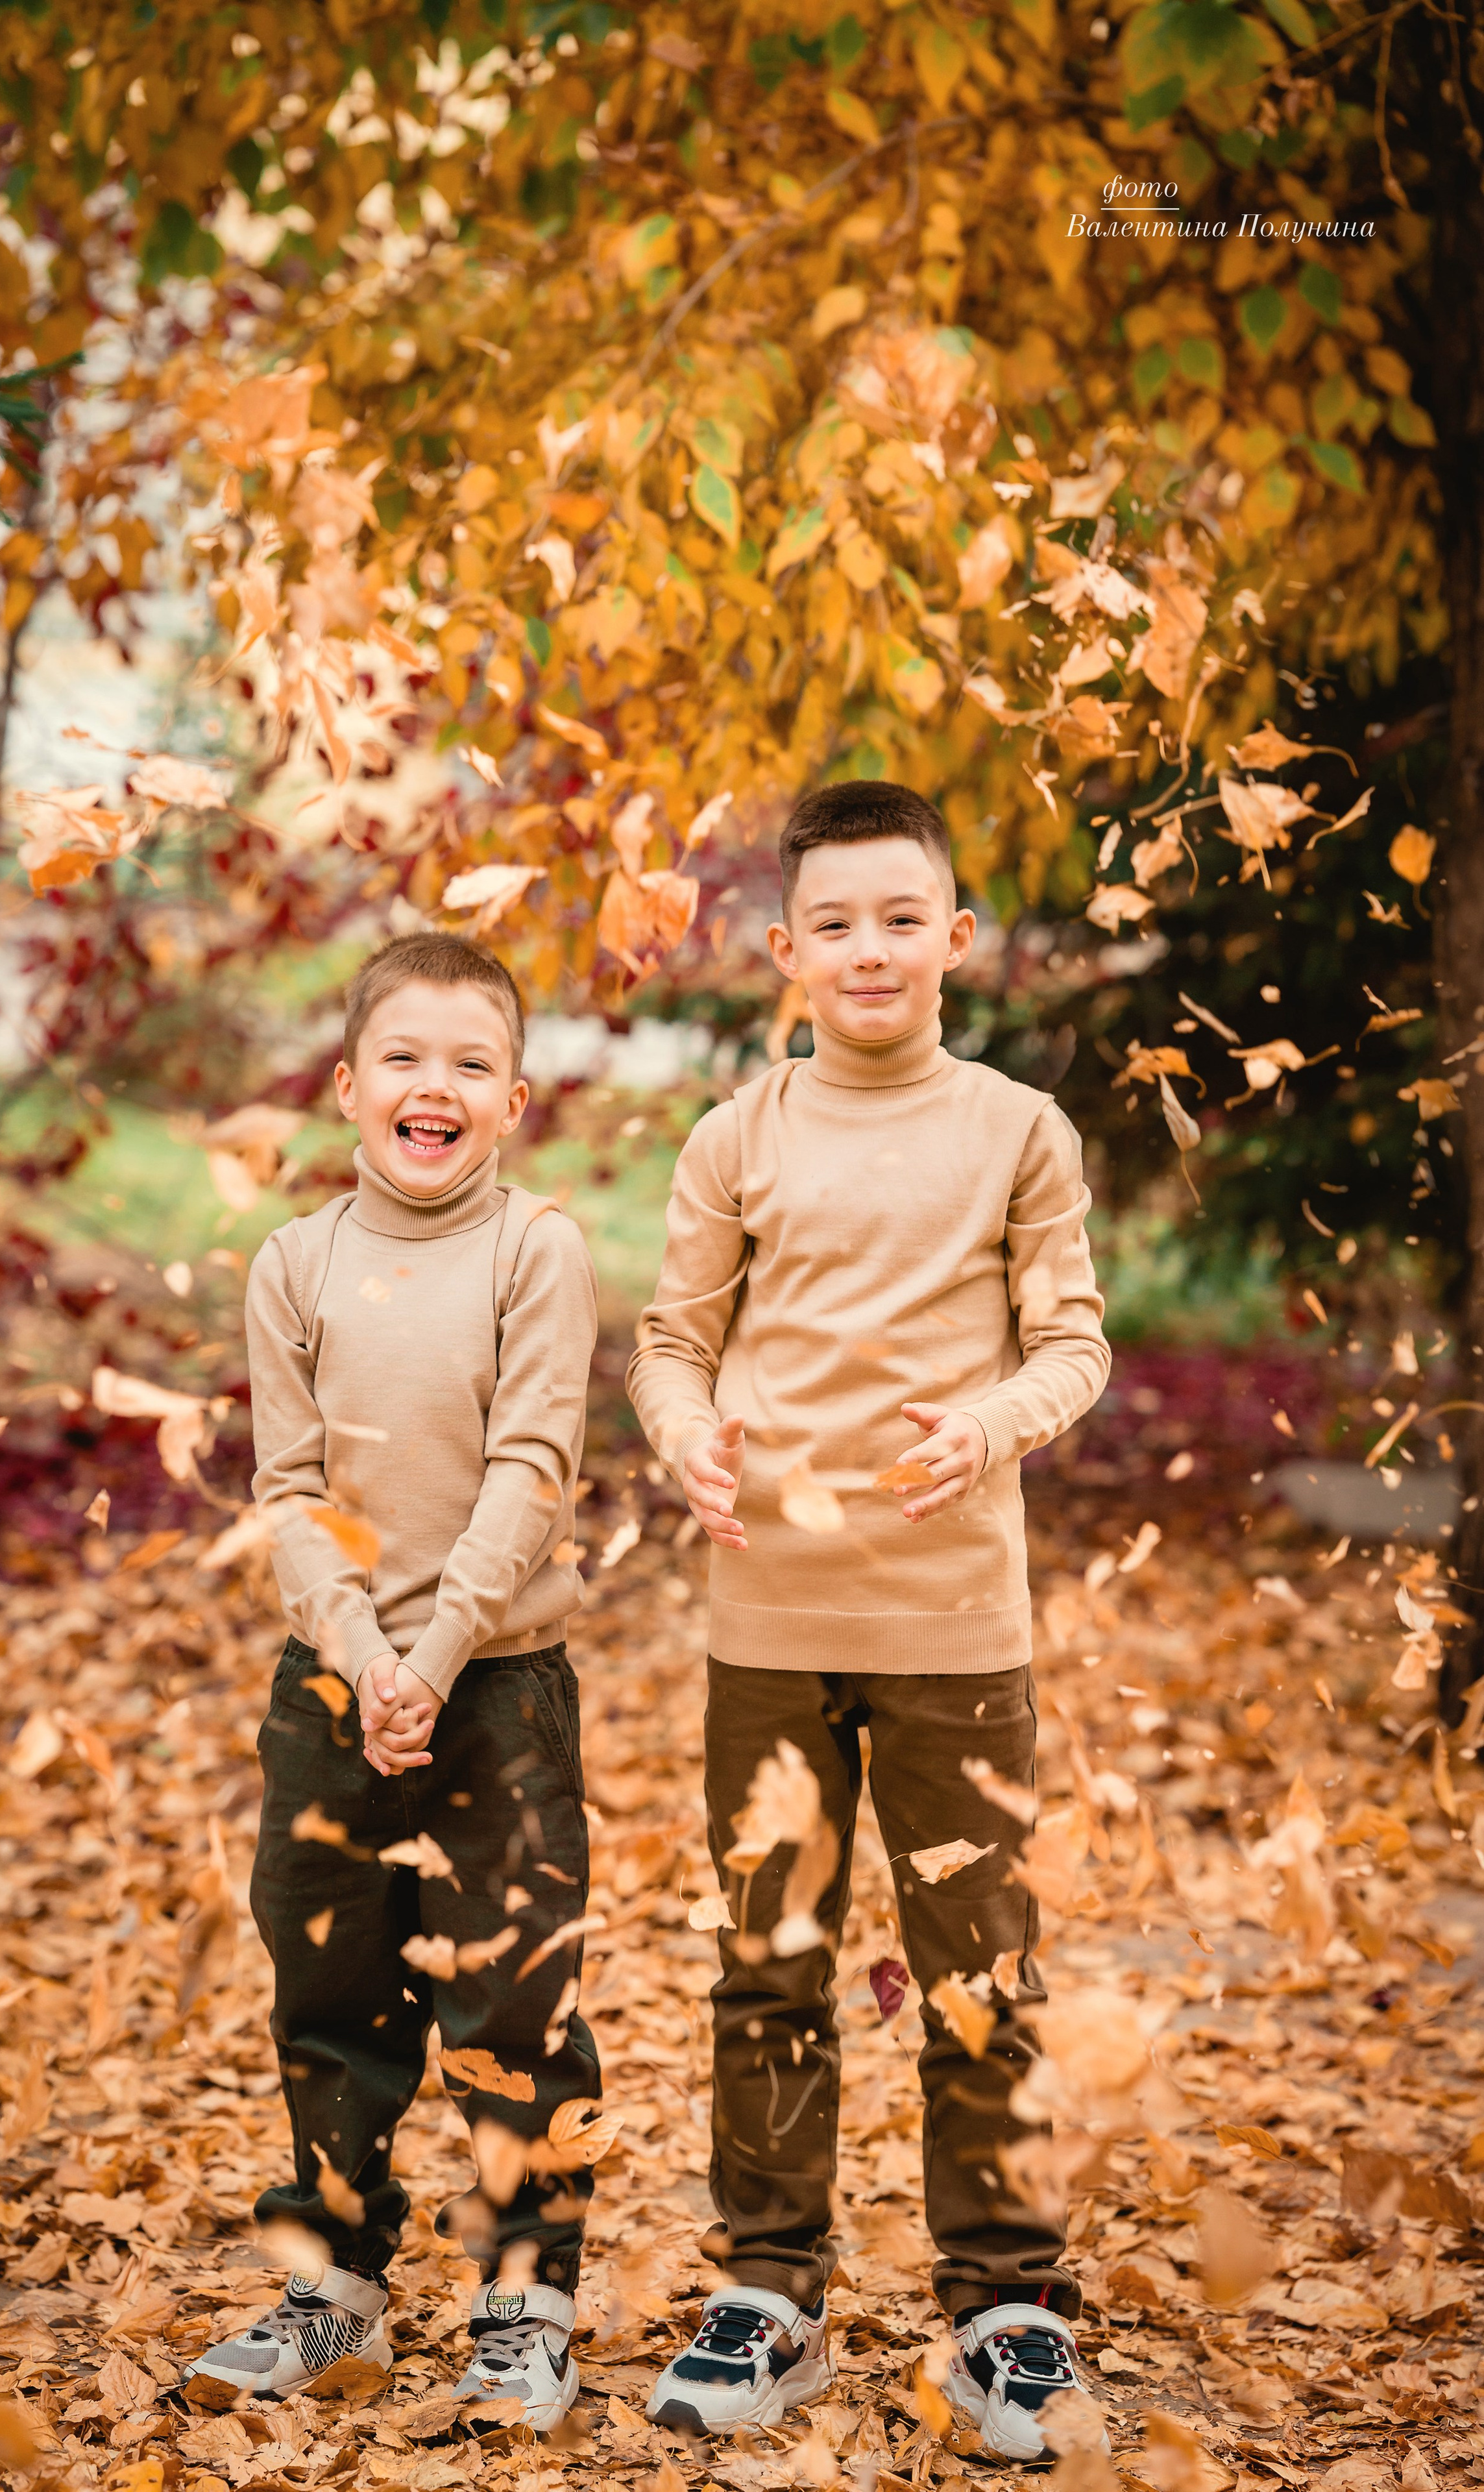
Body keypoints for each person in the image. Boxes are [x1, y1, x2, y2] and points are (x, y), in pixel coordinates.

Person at [626, 783, 1112, 2461]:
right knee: (769, 1967)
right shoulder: (735, 1137)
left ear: (954, 938)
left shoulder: (1018, 1131)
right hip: (767, 1623)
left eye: (902, 918)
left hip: (956, 1630)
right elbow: (672, 1345)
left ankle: (1006, 2309)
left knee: (982, 1976)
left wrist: (990, 1424)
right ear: (785, 950)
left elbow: (1072, 1345)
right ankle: (769, 2291)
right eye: (834, 923)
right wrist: (684, 1433)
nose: (870, 949)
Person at [181, 933, 601, 2430]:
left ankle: (524, 2303)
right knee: (331, 1991)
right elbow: (288, 1490)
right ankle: (336, 2282)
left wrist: (428, 1660)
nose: (437, 1086)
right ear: (349, 1085)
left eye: (471, 1063)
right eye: (405, 1058)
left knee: (511, 2001)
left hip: (497, 1690)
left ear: (514, 1100)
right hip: (331, 1691)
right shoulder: (294, 1265)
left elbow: (532, 1466)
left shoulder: (534, 1250)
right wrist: (363, 1659)